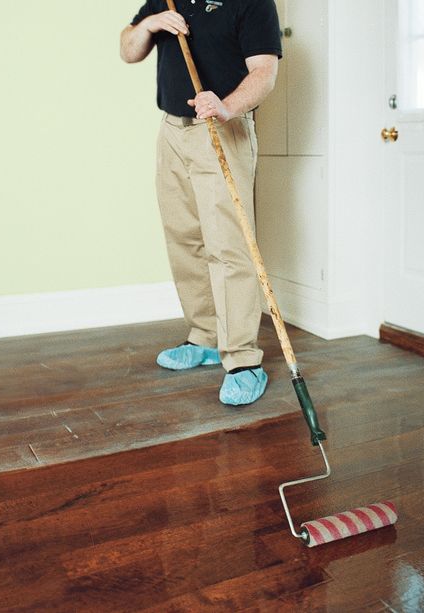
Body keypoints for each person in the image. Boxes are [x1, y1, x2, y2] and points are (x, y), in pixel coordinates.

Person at [120, 0, 282, 406]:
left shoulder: (254, 3)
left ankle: (243, 359)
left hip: (222, 127)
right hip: (172, 130)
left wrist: (227, 106)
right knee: (184, 238)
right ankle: (205, 336)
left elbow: (264, 72)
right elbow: (127, 49)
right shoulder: (166, 0)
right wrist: (151, 24)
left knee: (228, 245)